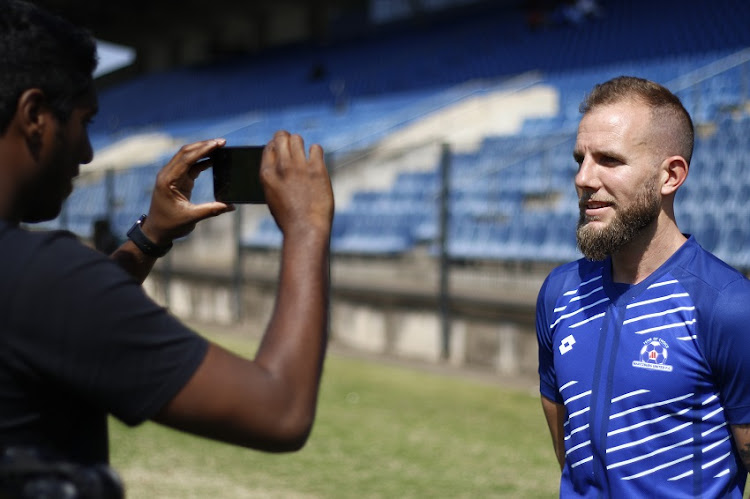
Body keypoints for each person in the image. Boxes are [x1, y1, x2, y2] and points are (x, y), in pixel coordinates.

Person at [0, 0, 334, 469]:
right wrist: (307, 228)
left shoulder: (38, 289)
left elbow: (58, 317)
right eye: (83, 122)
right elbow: (281, 410)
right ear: (34, 115)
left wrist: (149, 237)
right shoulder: (45, 279)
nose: (89, 152)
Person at [536, 76, 750, 497]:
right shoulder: (559, 293)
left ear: (670, 176)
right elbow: (570, 453)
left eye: (609, 160)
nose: (583, 178)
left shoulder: (728, 307)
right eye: (580, 158)